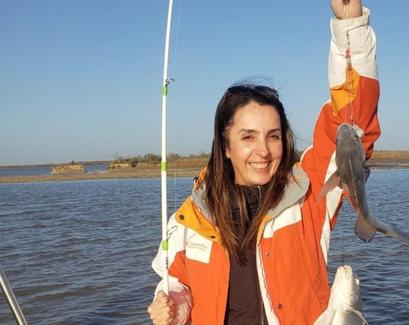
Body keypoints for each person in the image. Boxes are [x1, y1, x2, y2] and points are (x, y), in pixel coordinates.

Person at [147, 0, 380, 324]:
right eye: (247, 137)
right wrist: (173, 306)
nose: (263, 150)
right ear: (225, 146)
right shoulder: (190, 220)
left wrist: (350, 26)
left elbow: (352, 122)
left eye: (273, 135)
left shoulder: (308, 196)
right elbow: (178, 285)